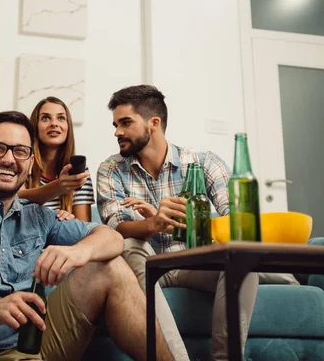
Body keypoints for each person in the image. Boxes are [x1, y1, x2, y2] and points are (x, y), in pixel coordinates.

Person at [0, 110, 174, 361]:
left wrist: (77, 252)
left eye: (20, 151)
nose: (8, 159)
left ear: (30, 163)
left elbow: (112, 237)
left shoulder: (36, 215)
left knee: (111, 266)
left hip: (35, 341)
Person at [96, 85, 258, 361]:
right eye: (115, 124)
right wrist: (154, 224)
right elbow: (116, 227)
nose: (117, 132)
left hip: (197, 264)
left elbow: (237, 223)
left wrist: (188, 221)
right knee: (131, 244)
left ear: (153, 123)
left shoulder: (203, 162)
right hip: (146, 266)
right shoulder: (111, 169)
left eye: (125, 123)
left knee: (245, 266)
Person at [18, 97, 94, 221]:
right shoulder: (22, 162)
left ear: (67, 126)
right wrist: (58, 186)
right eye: (46, 118)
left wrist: (70, 219)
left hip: (64, 238)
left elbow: (85, 227)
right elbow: (17, 198)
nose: (54, 123)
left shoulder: (79, 171)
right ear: (35, 126)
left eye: (61, 118)